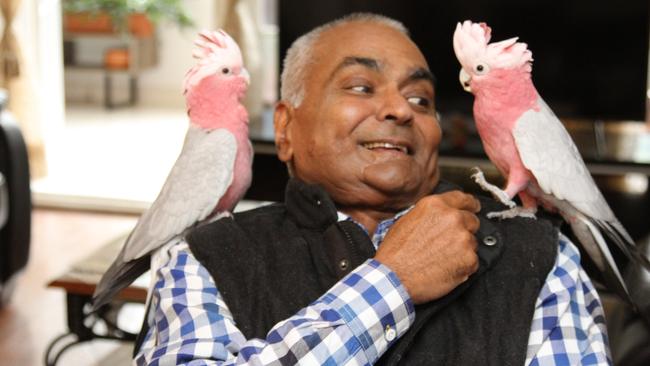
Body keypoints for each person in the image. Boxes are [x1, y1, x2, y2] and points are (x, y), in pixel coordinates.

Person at [134, 13, 610, 365]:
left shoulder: (542, 257)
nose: (400, 111)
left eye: (420, 98)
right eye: (361, 87)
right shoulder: (203, 259)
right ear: (285, 130)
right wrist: (392, 283)